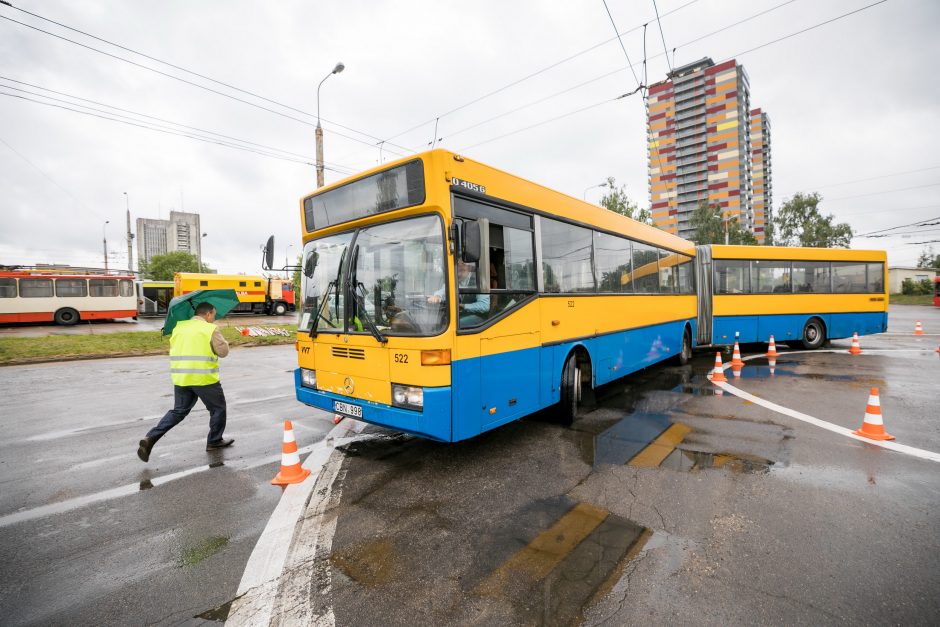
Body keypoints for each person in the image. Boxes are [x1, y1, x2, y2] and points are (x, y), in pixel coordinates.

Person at [137, 302, 233, 462]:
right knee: (218, 409)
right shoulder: (209, 329)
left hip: (182, 378)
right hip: (203, 379)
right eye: (214, 315)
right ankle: (214, 441)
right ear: (208, 314)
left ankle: (151, 438)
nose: (214, 319)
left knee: (178, 411)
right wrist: (225, 342)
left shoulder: (178, 328)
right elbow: (223, 352)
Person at [428, 259, 490, 326]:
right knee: (442, 321)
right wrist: (437, 296)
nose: (460, 266)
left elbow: (484, 306)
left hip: (480, 319)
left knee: (455, 325)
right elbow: (444, 290)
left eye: (463, 264)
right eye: (457, 264)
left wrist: (463, 306)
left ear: (469, 267)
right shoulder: (455, 279)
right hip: (461, 315)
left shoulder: (479, 280)